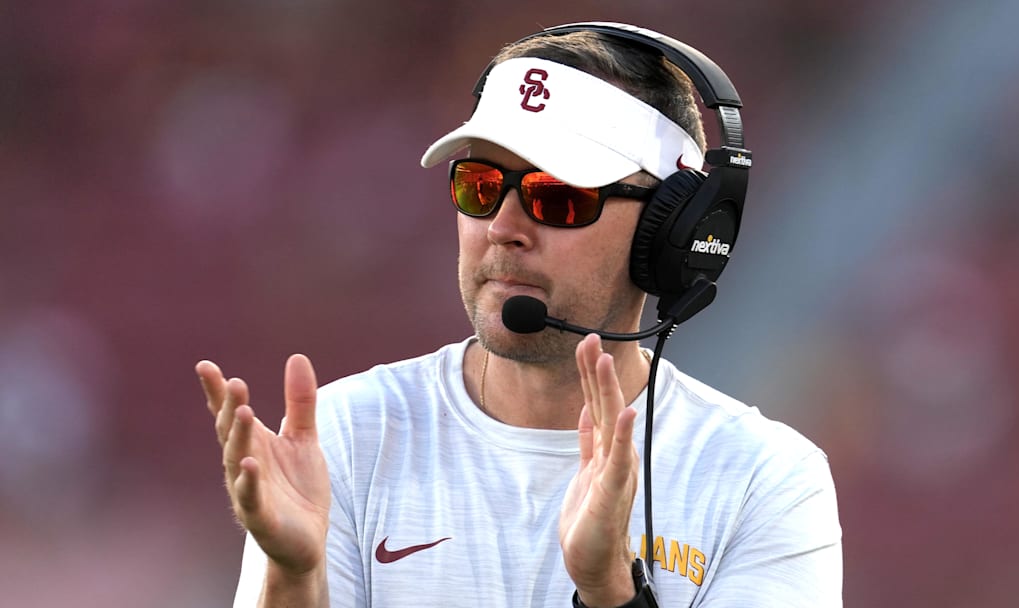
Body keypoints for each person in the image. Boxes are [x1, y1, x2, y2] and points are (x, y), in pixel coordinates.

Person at [197, 22, 843, 608]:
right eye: (478, 186)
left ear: (672, 231)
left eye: (556, 197)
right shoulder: (344, 436)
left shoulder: (766, 483)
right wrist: (292, 576)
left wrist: (610, 592)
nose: (502, 227)